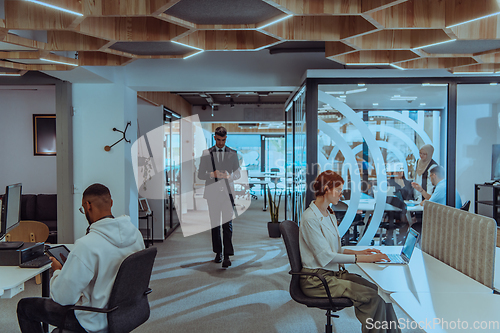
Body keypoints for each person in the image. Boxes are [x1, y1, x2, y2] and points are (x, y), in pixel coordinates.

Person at [17, 183, 145, 333]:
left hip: (94, 320)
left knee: (25, 307)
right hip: (124, 313)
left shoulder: (87, 245)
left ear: (87, 206)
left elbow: (62, 298)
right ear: (111, 203)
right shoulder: (135, 234)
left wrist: (58, 271)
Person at [299, 170, 401, 333]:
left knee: (380, 293)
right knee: (372, 298)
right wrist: (361, 259)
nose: (341, 195)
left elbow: (335, 249)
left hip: (331, 273)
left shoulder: (328, 214)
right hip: (317, 280)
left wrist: (364, 253)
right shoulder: (310, 218)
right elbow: (326, 256)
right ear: (327, 188)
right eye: (338, 190)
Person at [198, 126, 241, 268]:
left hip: (228, 193)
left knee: (227, 225)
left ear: (226, 138)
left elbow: (238, 174)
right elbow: (200, 174)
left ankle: (227, 255)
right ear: (214, 138)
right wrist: (212, 174)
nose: (221, 143)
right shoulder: (207, 153)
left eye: (223, 140)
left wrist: (230, 176)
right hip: (212, 194)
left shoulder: (233, 153)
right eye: (218, 140)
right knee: (215, 225)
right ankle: (218, 252)